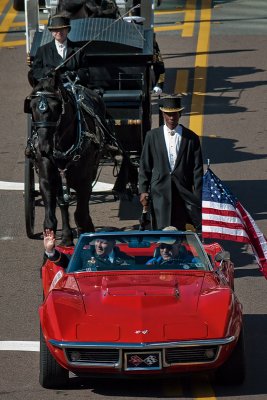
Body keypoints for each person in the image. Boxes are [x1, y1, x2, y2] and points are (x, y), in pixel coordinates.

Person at [138, 95, 203, 232]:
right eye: (168, 114)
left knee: (179, 228)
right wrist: (143, 190)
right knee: (161, 229)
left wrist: (197, 196)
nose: (171, 118)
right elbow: (145, 165)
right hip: (160, 190)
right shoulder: (152, 136)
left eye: (174, 114)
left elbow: (197, 170)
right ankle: (162, 251)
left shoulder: (191, 138)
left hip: (182, 192)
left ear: (180, 114)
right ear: (163, 114)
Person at [28, 15, 89, 85]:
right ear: (51, 32)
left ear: (68, 30)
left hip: (73, 89)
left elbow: (85, 71)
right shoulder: (42, 50)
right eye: (55, 30)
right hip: (50, 89)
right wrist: (46, 71)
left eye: (62, 29)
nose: (59, 32)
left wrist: (73, 74)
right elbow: (35, 71)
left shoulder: (78, 50)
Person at [43, 229, 133, 270]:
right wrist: (50, 250)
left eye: (103, 242)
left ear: (113, 244)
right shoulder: (86, 254)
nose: (99, 246)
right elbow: (65, 261)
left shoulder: (125, 259)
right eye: (97, 241)